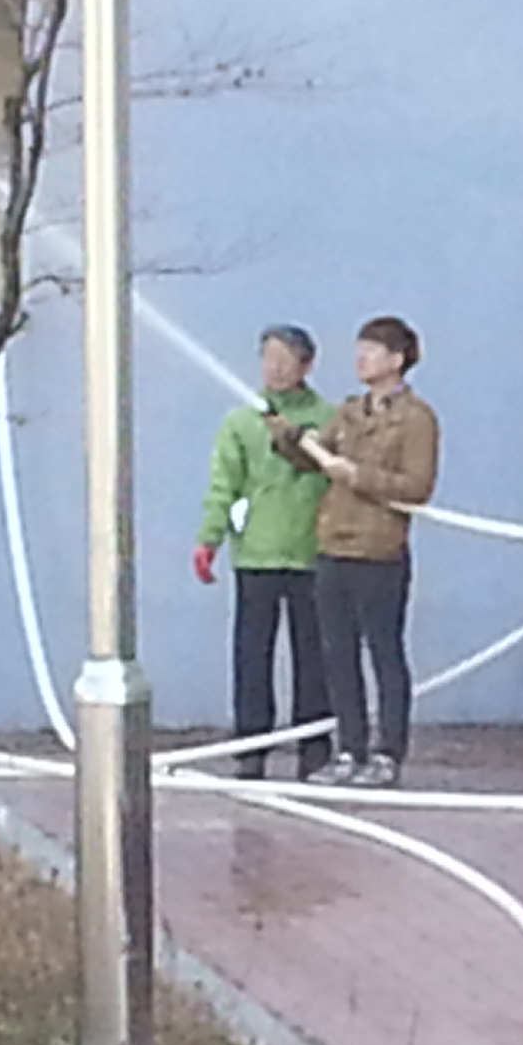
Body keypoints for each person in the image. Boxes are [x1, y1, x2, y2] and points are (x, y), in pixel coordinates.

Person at [301, 316, 439, 789]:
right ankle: (349, 748)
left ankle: (388, 752)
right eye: (360, 349)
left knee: (384, 653)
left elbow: (417, 486)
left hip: (380, 551)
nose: (361, 358)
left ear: (397, 359)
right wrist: (291, 439)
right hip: (333, 545)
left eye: (372, 350)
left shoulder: (416, 418)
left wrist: (358, 476)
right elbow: (314, 456)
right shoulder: (347, 412)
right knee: (337, 656)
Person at [192, 323, 334, 781]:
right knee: (252, 655)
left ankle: (315, 745)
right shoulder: (241, 421)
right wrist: (210, 538)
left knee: (315, 655)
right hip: (256, 553)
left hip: (314, 553)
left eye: (286, 359)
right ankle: (251, 746)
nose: (275, 368)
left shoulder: (329, 419)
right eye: (269, 358)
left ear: (307, 365)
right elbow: (225, 485)